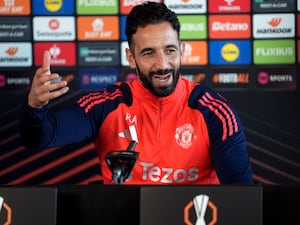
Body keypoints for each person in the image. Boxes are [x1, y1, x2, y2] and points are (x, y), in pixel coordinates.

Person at [19, 2, 253, 185]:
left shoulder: (214, 112)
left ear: (182, 51)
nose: (162, 64)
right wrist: (35, 106)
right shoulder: (106, 105)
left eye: (170, 50)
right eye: (149, 53)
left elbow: (241, 195)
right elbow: (40, 137)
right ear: (131, 57)